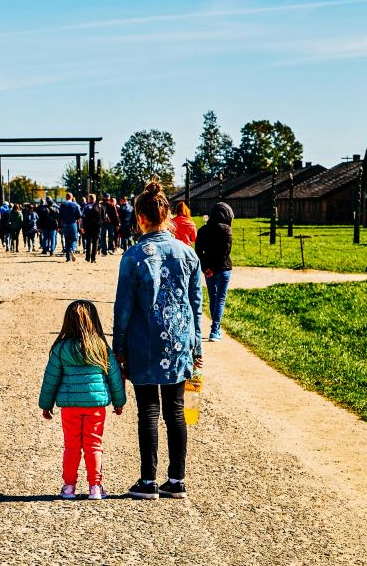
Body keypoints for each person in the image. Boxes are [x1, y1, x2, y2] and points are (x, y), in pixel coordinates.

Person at [113, 179, 203, 500]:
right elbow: (196, 306)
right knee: (176, 411)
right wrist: (197, 348)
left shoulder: (134, 256)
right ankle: (177, 479)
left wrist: (118, 350)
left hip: (145, 342)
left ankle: (148, 481)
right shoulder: (188, 254)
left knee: (148, 410)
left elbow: (123, 309)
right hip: (180, 340)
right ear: (166, 216)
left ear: (140, 218)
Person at [39, 300, 127, 500]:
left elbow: (51, 378)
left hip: (70, 407)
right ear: (94, 322)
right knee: (94, 445)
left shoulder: (61, 349)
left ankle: (69, 486)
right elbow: (114, 376)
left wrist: (46, 404)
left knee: (71, 445)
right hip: (96, 407)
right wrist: (119, 401)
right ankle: (95, 487)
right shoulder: (101, 348)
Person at [195, 202, 234, 341]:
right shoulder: (226, 229)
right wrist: (214, 267)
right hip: (223, 268)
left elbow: (198, 251)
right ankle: (215, 330)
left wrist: (206, 267)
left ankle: (215, 329)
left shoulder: (202, 230)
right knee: (220, 299)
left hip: (209, 270)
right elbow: (225, 251)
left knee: (213, 298)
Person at [57, 193, 83, 262]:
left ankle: (68, 258)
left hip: (65, 224)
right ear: (71, 197)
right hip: (73, 224)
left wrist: (59, 226)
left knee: (67, 240)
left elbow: (59, 216)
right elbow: (79, 215)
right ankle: (72, 249)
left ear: (66, 197)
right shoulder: (75, 205)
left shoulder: (62, 205)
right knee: (74, 239)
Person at [80, 194, 103, 263]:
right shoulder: (100, 206)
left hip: (88, 226)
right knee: (95, 242)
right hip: (97, 227)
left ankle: (87, 258)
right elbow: (104, 217)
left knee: (88, 242)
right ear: (95, 199)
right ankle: (93, 258)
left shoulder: (86, 207)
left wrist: (82, 227)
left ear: (89, 199)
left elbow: (82, 217)